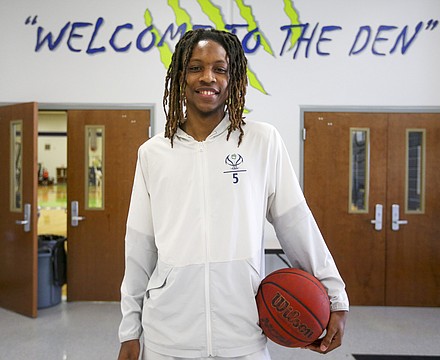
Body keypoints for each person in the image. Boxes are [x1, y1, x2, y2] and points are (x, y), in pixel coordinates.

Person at [117, 28, 349, 360]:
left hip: (243, 337)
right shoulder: (153, 153)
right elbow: (138, 248)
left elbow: (297, 224)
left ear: (234, 78)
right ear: (180, 77)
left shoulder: (261, 142)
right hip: (167, 339)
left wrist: (335, 297)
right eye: (196, 67)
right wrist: (129, 331)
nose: (207, 77)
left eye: (220, 68)